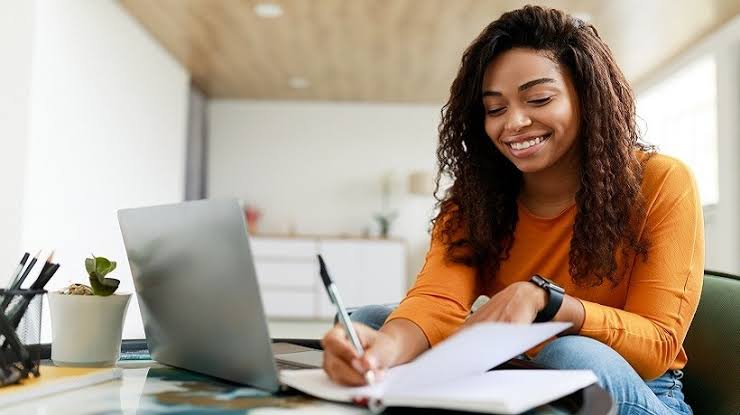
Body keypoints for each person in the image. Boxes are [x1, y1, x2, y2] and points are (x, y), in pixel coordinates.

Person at [321, 5, 703, 415]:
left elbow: (658, 345)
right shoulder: (475, 198)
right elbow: (437, 299)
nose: (514, 123)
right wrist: (382, 352)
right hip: (516, 377)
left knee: (572, 355)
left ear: (587, 97)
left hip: (632, 388)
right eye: (495, 108)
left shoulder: (661, 181)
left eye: (538, 98)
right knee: (372, 321)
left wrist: (549, 302)